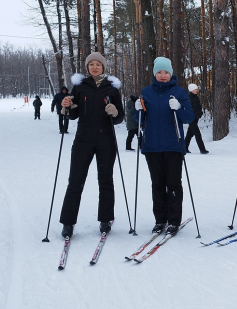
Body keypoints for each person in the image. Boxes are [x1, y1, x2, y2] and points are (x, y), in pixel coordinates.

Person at [58, 52, 125, 238]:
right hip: (83, 140)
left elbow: (120, 118)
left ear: (104, 67)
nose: (94, 67)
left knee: (105, 181)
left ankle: (105, 219)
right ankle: (68, 223)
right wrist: (67, 106)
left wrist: (114, 112)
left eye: (98, 64)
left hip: (106, 140)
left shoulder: (112, 88)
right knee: (75, 181)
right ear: (87, 67)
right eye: (91, 64)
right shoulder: (80, 87)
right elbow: (73, 114)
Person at [134, 57, 194, 236]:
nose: (162, 75)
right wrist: (137, 110)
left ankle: (174, 221)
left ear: (171, 73)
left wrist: (179, 108)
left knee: (173, 184)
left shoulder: (180, 92)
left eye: (166, 72)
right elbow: (139, 121)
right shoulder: (146, 92)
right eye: (159, 72)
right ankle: (160, 220)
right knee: (157, 184)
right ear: (154, 73)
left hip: (173, 145)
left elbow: (189, 117)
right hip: (151, 146)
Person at [184, 83, 209, 154]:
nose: (196, 90)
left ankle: (184, 148)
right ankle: (202, 149)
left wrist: (200, 113)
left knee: (190, 133)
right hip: (191, 118)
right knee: (197, 134)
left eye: (196, 89)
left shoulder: (196, 97)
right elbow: (189, 109)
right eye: (195, 89)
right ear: (191, 90)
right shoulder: (189, 98)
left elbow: (198, 107)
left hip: (196, 118)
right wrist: (192, 115)